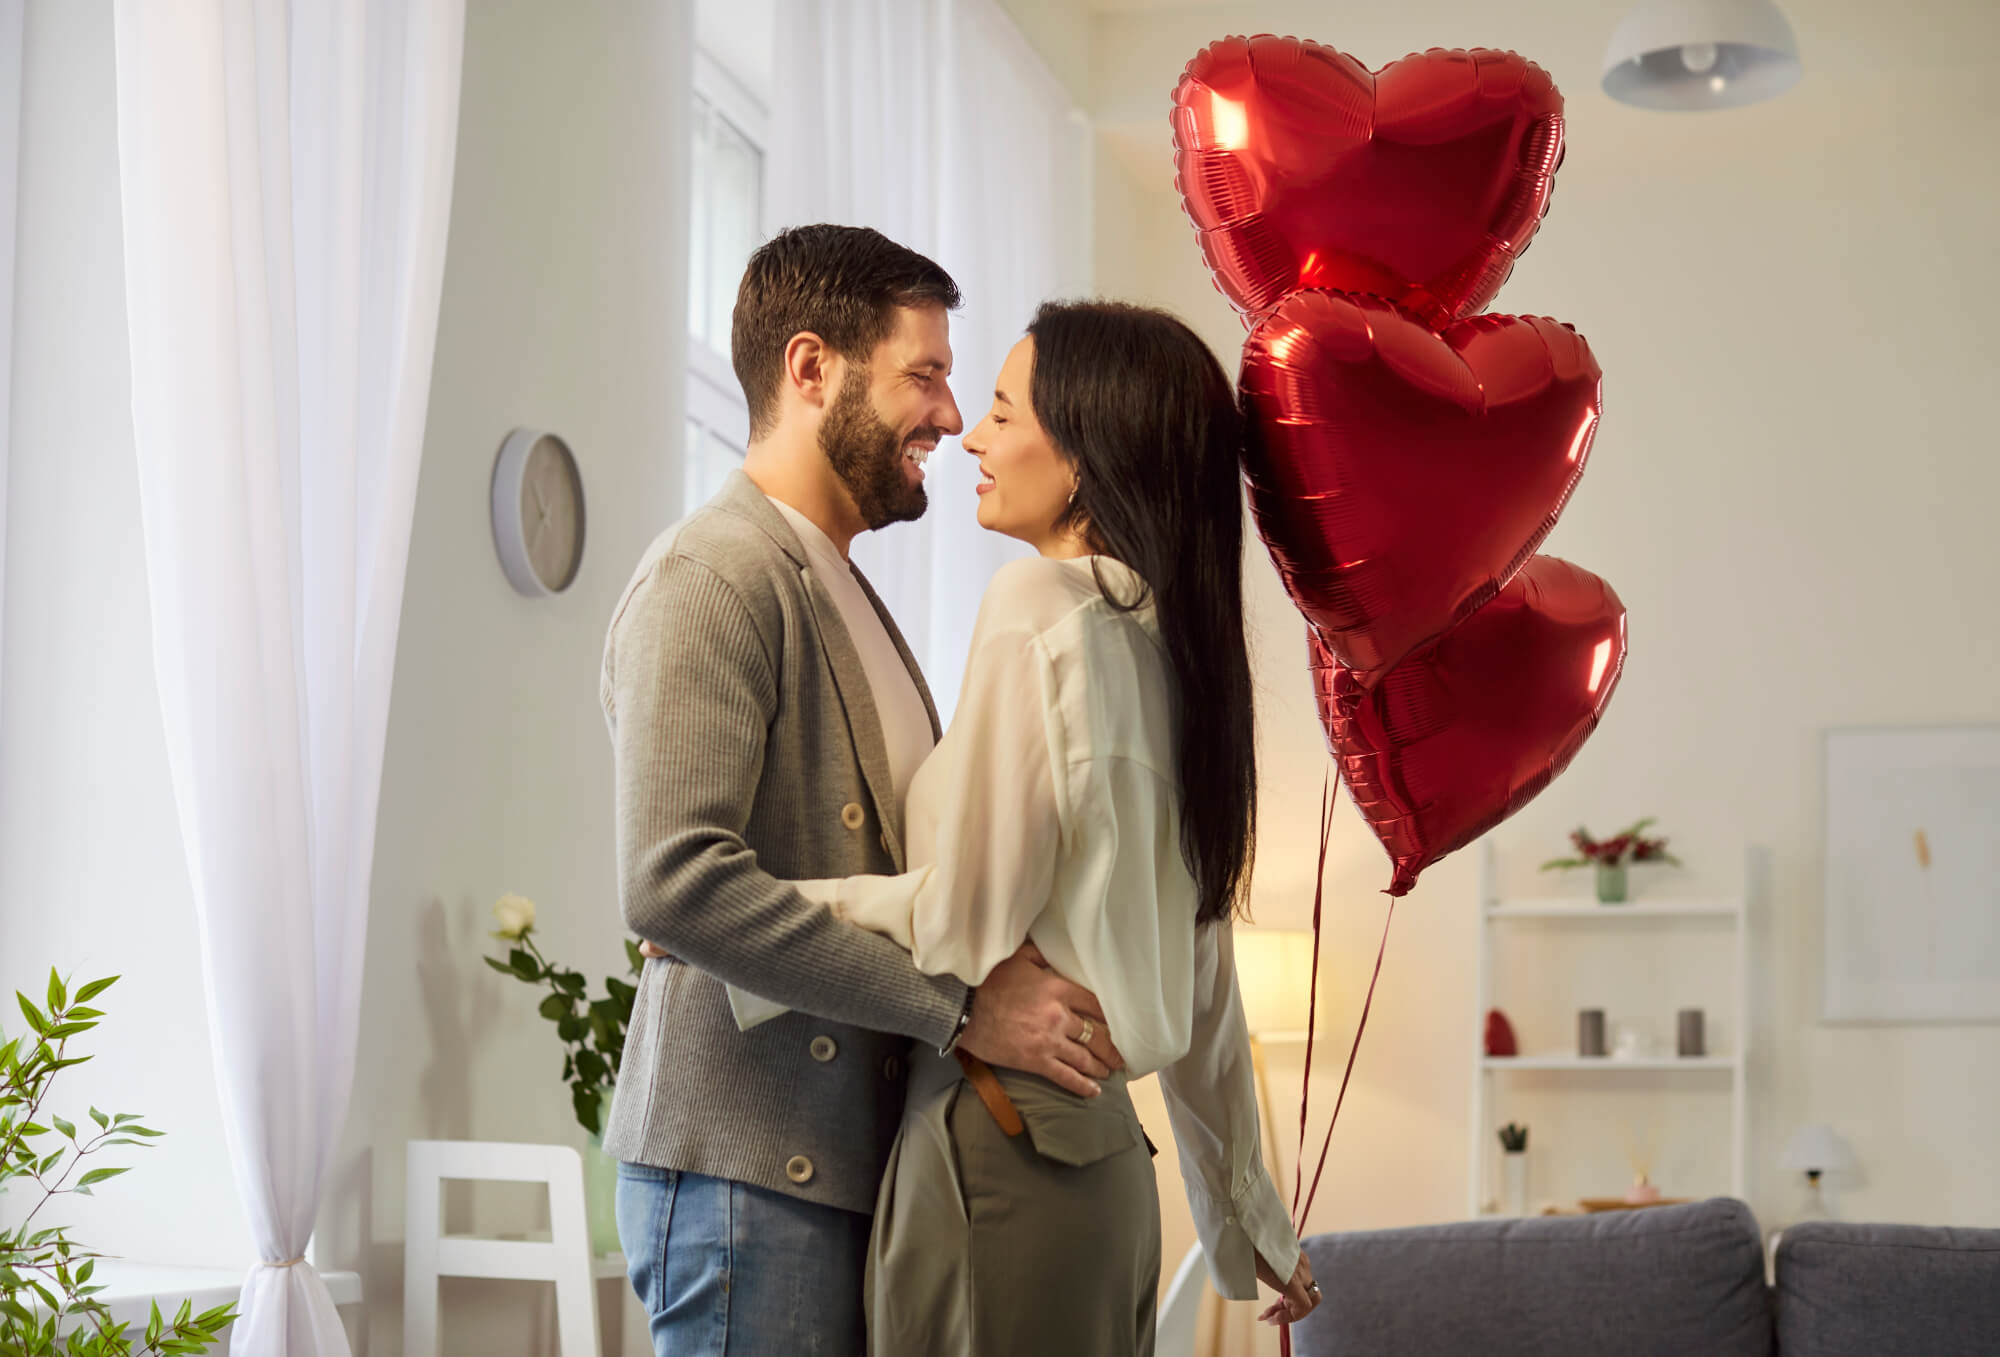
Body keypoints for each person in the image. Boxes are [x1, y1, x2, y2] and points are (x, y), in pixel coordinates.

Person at [726, 300, 1321, 1354]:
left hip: (1000, 1142)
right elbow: (1204, 992)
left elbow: (963, 918)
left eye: (1001, 410)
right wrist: (1252, 1220)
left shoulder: (1037, 606)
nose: (971, 436)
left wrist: (751, 915)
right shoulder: (1175, 659)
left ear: (1083, 455)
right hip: (1101, 1168)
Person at [601, 225, 1126, 1357]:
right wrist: (958, 1008)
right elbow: (674, 883)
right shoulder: (716, 574)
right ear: (810, 369)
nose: (947, 415)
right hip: (750, 1176)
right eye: (923, 375)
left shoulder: (840, 588)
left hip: (837, 1170)